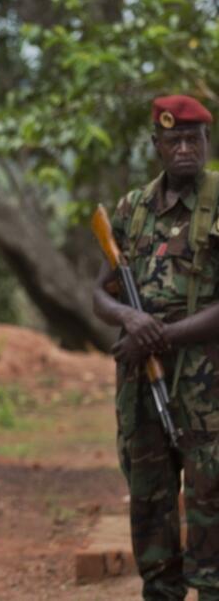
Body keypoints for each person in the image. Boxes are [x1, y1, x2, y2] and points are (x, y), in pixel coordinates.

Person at [93, 95, 219, 601]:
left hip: (207, 385)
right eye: (174, 140)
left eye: (195, 138)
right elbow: (99, 290)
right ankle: (161, 591)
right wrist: (129, 318)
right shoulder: (132, 208)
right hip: (143, 386)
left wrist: (159, 335)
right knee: (149, 498)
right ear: (157, 145)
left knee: (211, 495)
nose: (185, 148)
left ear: (208, 141)